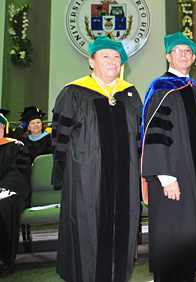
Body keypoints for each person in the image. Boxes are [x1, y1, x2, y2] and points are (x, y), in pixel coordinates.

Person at [51, 36, 142, 282]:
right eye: (106, 56)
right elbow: (60, 138)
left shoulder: (130, 95)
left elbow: (138, 141)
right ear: (91, 61)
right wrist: (67, 174)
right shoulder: (74, 93)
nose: (113, 61)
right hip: (87, 181)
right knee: (89, 234)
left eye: (117, 57)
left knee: (121, 234)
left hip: (125, 180)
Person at [141, 32, 196, 282]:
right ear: (167, 56)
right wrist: (165, 176)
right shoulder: (161, 88)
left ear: (194, 57)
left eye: (188, 51)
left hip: (195, 178)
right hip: (171, 179)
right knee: (171, 240)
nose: (183, 55)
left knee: (189, 240)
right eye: (178, 51)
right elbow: (154, 134)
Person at [0, 113, 31, 275]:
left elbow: (19, 171)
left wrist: (2, 187)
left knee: (3, 204)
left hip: (11, 191)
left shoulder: (16, 146)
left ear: (4, 128)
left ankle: (4, 259)